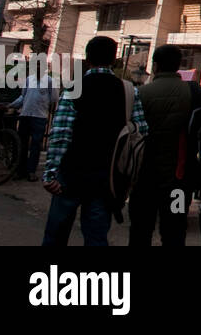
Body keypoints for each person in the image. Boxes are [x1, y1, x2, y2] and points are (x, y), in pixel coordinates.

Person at [41, 36, 147, 247]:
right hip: (106, 177)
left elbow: (61, 133)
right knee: (96, 236)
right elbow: (141, 132)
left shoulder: (74, 88)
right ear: (114, 60)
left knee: (56, 235)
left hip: (70, 173)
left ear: (88, 59)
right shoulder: (128, 90)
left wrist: (51, 173)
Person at [129, 44, 201, 246]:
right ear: (178, 66)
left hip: (144, 179)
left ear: (155, 66)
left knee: (140, 229)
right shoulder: (194, 93)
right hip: (179, 182)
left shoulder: (141, 94)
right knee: (175, 229)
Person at [10, 60, 57, 181]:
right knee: (22, 143)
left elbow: (53, 98)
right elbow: (23, 96)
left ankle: (31, 171)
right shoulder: (29, 79)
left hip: (39, 116)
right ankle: (20, 170)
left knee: (36, 144)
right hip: (26, 114)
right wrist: (12, 105)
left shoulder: (50, 81)